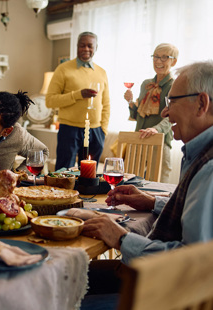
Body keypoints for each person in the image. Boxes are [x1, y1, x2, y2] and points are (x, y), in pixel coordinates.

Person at [81, 61, 213, 306]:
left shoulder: (209, 169)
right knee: (77, 274)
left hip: (170, 295)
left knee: (60, 285)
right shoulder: (200, 153)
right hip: (169, 285)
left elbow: (191, 263)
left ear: (202, 104)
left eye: (171, 102)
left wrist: (120, 237)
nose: (164, 112)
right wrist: (153, 201)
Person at [46, 31, 110, 170]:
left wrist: (102, 130)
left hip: (95, 131)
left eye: (90, 46)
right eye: (82, 45)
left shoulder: (102, 72)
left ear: (96, 48)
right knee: (63, 173)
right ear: (77, 47)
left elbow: (106, 104)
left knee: (89, 176)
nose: (86, 49)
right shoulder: (63, 69)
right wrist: (77, 95)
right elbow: (50, 101)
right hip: (69, 129)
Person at [125, 43, 178, 182]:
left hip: (160, 140)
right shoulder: (146, 84)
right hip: (140, 138)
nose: (158, 61)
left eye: (164, 57)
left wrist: (155, 129)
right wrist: (130, 102)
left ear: (174, 61)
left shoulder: (174, 86)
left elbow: (172, 116)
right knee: (132, 182)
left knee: (158, 185)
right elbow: (139, 115)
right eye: (156, 57)